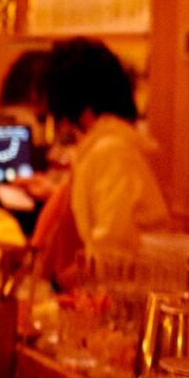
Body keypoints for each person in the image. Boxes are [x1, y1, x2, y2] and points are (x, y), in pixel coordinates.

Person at [42, 37, 169, 260]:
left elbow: (112, 246)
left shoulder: (111, 151)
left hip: (127, 285)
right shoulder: (104, 145)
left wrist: (62, 281)